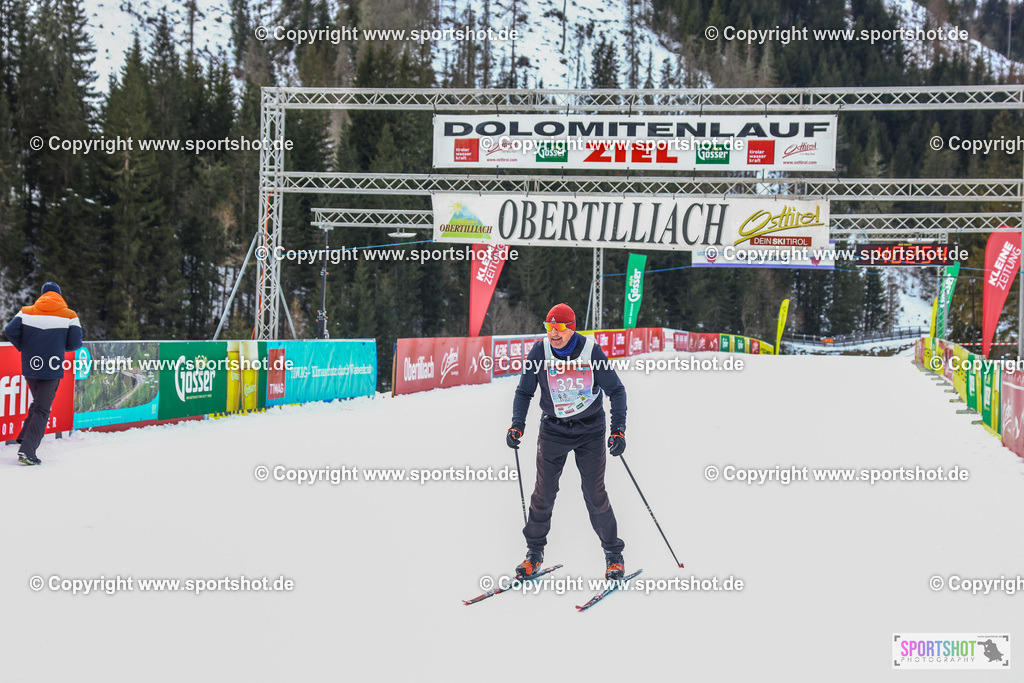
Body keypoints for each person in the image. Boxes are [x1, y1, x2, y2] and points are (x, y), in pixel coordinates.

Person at [506, 303, 628, 580]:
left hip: (591, 431)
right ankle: (533, 554)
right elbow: (524, 392)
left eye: (559, 328)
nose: (554, 333)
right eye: (549, 327)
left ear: (572, 328)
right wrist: (517, 424)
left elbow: (616, 390)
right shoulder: (540, 351)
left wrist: (618, 430)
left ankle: (613, 555)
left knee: (594, 494)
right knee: (543, 494)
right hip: (553, 430)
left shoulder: (590, 351)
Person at [3, 282, 83, 465]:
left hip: (30, 366)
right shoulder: (70, 315)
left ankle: (25, 436)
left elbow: (9, 330)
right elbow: (76, 342)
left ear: (42, 295)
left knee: (38, 403)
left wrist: (24, 346)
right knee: (42, 409)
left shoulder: (26, 311)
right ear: (59, 296)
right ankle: (27, 451)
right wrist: (60, 348)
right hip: (52, 368)